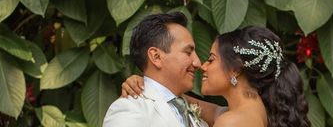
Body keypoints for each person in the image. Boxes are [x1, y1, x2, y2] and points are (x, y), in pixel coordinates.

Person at [122, 25, 310, 127]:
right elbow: (183, 102)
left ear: (235, 69)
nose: (202, 66)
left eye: (211, 59)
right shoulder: (254, 111)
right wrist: (147, 85)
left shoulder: (233, 122)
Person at [104, 12, 208, 127]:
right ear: (156, 57)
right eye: (188, 52)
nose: (198, 63)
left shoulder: (194, 114)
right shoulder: (129, 109)